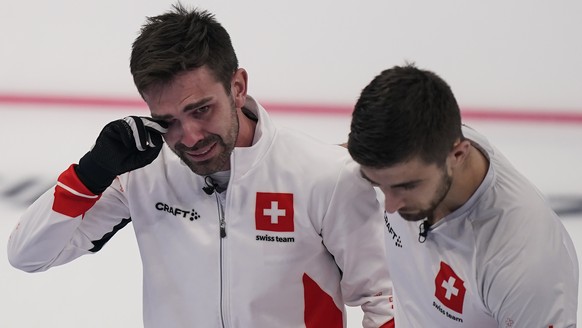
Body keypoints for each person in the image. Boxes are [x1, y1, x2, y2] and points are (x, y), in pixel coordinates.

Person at [7, 4, 395, 328]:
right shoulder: (142, 175)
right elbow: (28, 255)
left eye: (201, 110)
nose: (190, 137)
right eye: (168, 120)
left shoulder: (324, 175)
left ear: (238, 86)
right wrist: (90, 174)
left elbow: (386, 301)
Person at [347, 64, 579, 327]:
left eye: (406, 186)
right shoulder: (417, 146)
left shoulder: (524, 262)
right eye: (376, 183)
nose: (389, 206)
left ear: (458, 154)